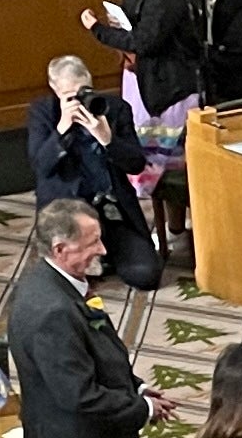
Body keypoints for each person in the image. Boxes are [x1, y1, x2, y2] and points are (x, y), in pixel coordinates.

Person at [10, 201, 154, 438]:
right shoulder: (54, 312)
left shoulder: (48, 283)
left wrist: (136, 388)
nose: (102, 250)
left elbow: (93, 356)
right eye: (92, 243)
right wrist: (143, 408)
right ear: (61, 249)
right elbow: (80, 395)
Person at [83, 0, 205, 213]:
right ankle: (170, 225)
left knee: (170, 165)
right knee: (148, 159)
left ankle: (181, 225)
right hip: (142, 82)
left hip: (169, 89)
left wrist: (99, 30)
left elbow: (146, 41)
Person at [27, 55, 156, 288]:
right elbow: (41, 167)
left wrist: (107, 139)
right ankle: (94, 255)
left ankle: (102, 252)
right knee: (66, 281)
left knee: (146, 275)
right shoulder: (43, 113)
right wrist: (62, 130)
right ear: (54, 89)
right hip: (69, 214)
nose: (79, 102)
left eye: (83, 92)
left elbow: (136, 164)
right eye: (70, 97)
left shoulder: (114, 109)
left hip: (111, 209)